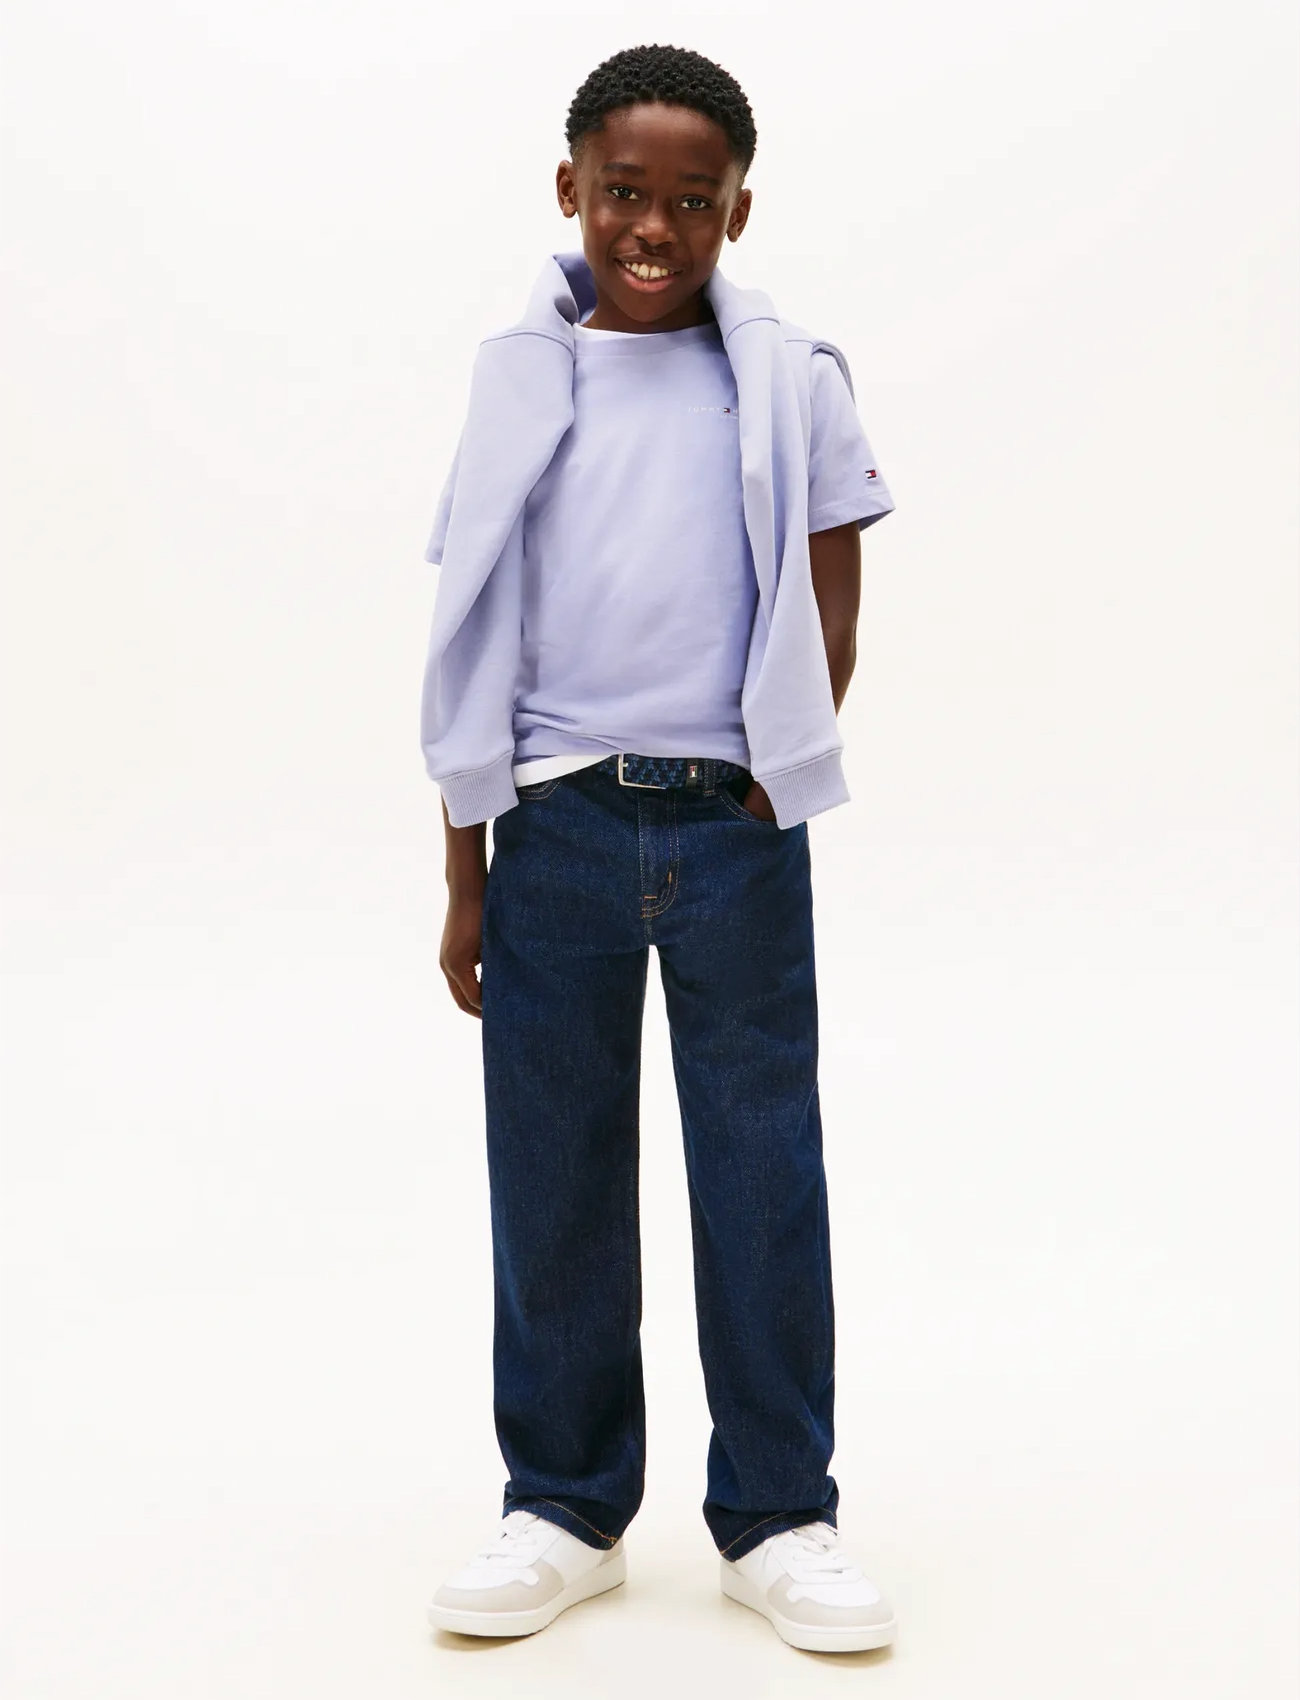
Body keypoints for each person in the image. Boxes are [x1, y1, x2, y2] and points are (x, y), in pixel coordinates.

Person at [420, 43, 898, 1654]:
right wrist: (466, 869)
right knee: (551, 1172)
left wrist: (776, 783)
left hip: (729, 826)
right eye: (624, 192)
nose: (654, 226)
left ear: (737, 211)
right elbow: (471, 631)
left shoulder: (793, 377)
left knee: (761, 1169)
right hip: (553, 823)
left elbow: (831, 604)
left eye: (694, 201)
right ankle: (563, 1506)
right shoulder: (517, 378)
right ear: (571, 188)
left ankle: (781, 1512)